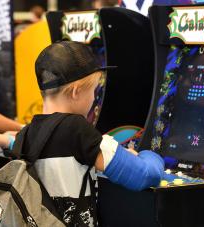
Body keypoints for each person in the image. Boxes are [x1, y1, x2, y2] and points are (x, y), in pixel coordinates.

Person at [15, 41, 164, 226]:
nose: (95, 98)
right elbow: (144, 175)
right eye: (94, 90)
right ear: (76, 92)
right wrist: (150, 154)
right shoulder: (76, 129)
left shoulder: (25, 134)